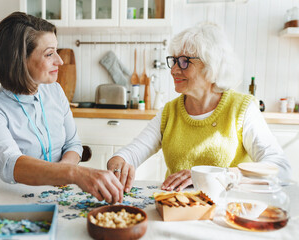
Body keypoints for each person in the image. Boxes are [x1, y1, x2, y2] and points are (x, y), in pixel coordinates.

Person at [107, 22, 291, 193]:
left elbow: (280, 169)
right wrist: (119, 163)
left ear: (211, 66)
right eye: (174, 60)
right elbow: (132, 153)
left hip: (228, 213)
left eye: (185, 61)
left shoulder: (242, 108)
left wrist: (218, 176)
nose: (173, 70)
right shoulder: (169, 112)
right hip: (177, 210)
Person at [0, 12, 123, 204]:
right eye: (49, 54)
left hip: (62, 196)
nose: (60, 61)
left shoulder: (55, 91)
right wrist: (72, 173)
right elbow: (10, 163)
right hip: (18, 200)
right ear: (19, 60)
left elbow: (73, 144)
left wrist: (62, 175)